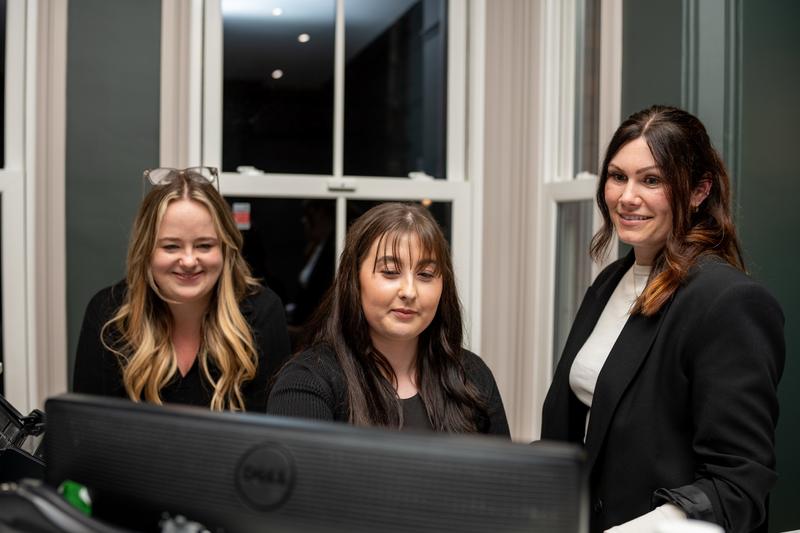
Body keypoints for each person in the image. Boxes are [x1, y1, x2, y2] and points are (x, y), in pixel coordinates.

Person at [541, 106, 784, 533]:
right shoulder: (609, 283)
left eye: (651, 180)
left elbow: (738, 486)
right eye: (617, 176)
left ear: (698, 191)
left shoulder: (729, 302)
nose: (626, 196)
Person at [267, 202, 510, 436]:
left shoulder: (472, 376)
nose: (409, 291)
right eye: (390, 272)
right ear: (353, 281)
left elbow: (503, 477)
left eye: (425, 274)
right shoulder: (307, 383)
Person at [74, 167, 291, 412]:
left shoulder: (263, 313)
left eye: (204, 245)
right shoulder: (108, 314)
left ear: (225, 249)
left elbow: (272, 438)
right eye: (171, 246)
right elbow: (85, 432)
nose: (188, 261)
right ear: (146, 251)